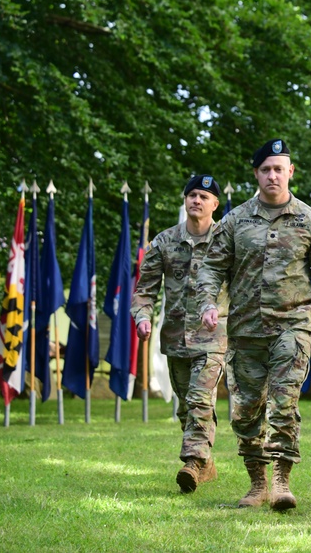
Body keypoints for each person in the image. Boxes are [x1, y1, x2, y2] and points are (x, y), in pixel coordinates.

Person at [197, 139, 311, 512]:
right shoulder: (235, 220)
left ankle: (280, 481)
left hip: (291, 328)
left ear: (290, 172)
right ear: (256, 174)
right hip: (245, 330)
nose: (272, 175)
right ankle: (257, 482)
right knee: (246, 411)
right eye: (266, 169)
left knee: (283, 403)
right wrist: (208, 302)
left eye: (279, 168)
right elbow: (213, 267)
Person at [131, 174, 228, 493]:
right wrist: (142, 317)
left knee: (201, 397)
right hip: (174, 337)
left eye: (203, 196)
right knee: (187, 406)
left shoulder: (227, 241)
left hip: (214, 338)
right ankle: (207, 464)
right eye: (192, 195)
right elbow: (144, 289)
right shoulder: (163, 242)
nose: (196, 200)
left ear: (215, 204)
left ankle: (193, 460)